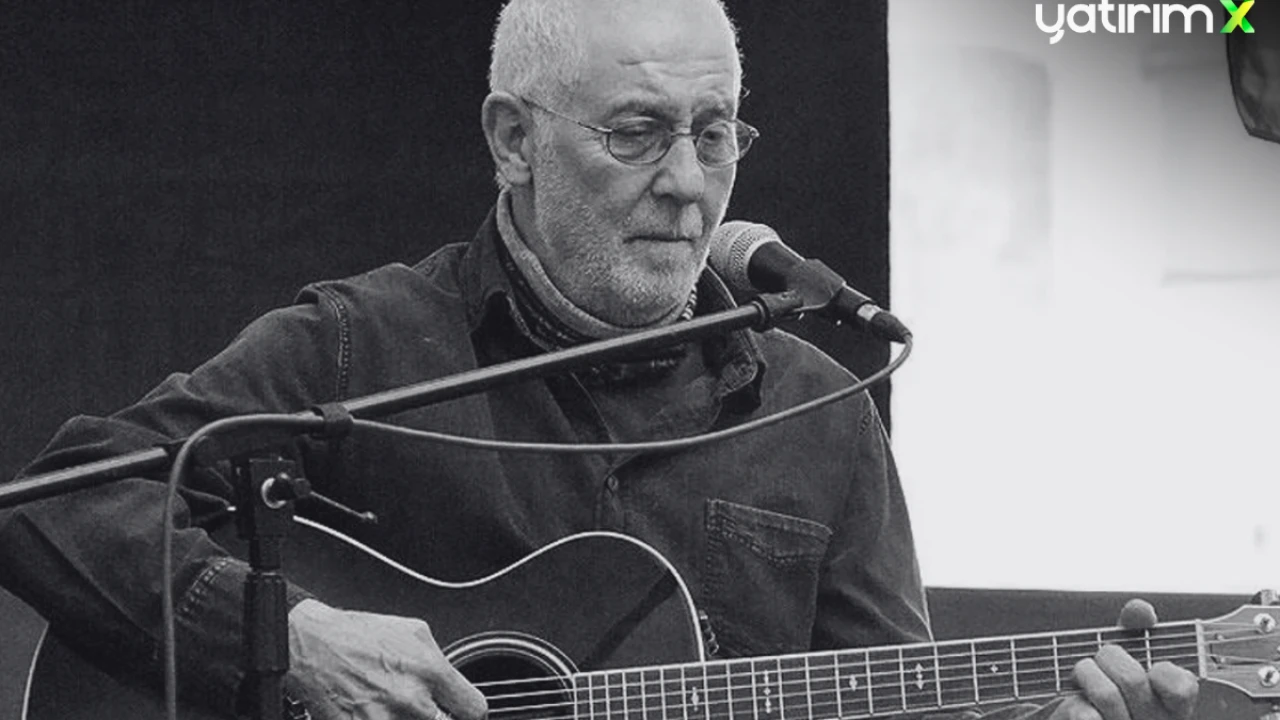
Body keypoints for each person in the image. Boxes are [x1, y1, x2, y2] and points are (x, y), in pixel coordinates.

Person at [0, 1, 1199, 719]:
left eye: (714, 133)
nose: (686, 182)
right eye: (636, 133)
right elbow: (55, 504)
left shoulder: (819, 414)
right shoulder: (369, 345)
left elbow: (888, 699)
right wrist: (290, 638)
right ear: (511, 140)